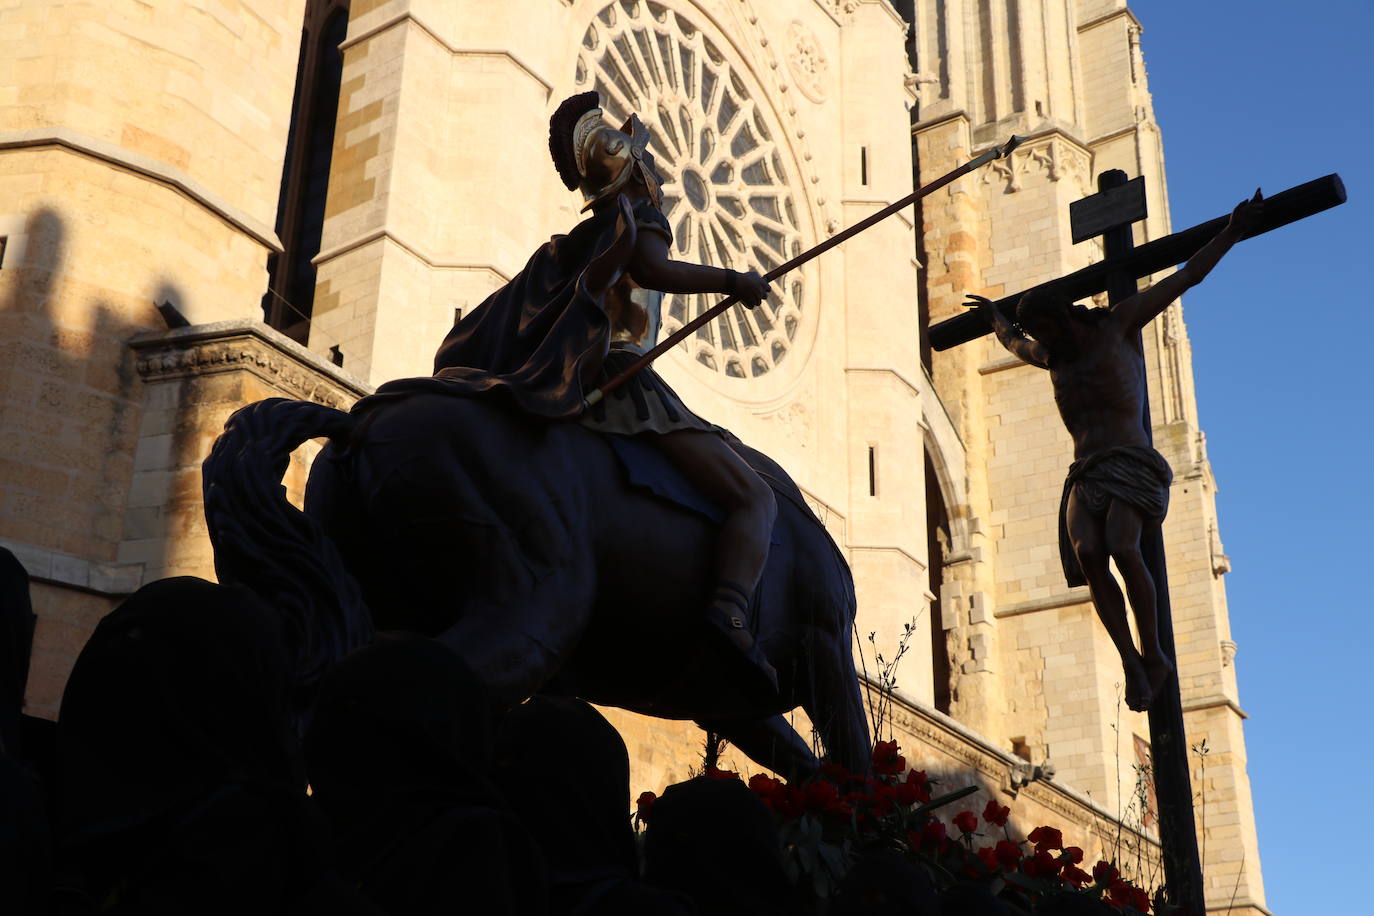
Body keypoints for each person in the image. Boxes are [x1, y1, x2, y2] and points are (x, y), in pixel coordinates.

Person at [367, 91, 779, 699]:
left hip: (579, 378)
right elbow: (657, 272)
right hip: (626, 384)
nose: (661, 173)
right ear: (635, 169)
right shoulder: (639, 220)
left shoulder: (585, 239)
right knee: (755, 497)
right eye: (650, 161)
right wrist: (733, 280)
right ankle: (731, 614)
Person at [965, 190, 1263, 711]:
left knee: (1126, 547)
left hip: (1132, 461)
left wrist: (1231, 232)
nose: (1043, 339)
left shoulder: (1118, 324)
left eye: (1048, 329)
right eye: (1039, 333)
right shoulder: (1050, 355)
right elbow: (1012, 340)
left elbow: (1185, 277)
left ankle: (1155, 654)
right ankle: (1130, 659)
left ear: (1066, 316)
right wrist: (996, 317)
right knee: (1088, 555)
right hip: (1087, 471)